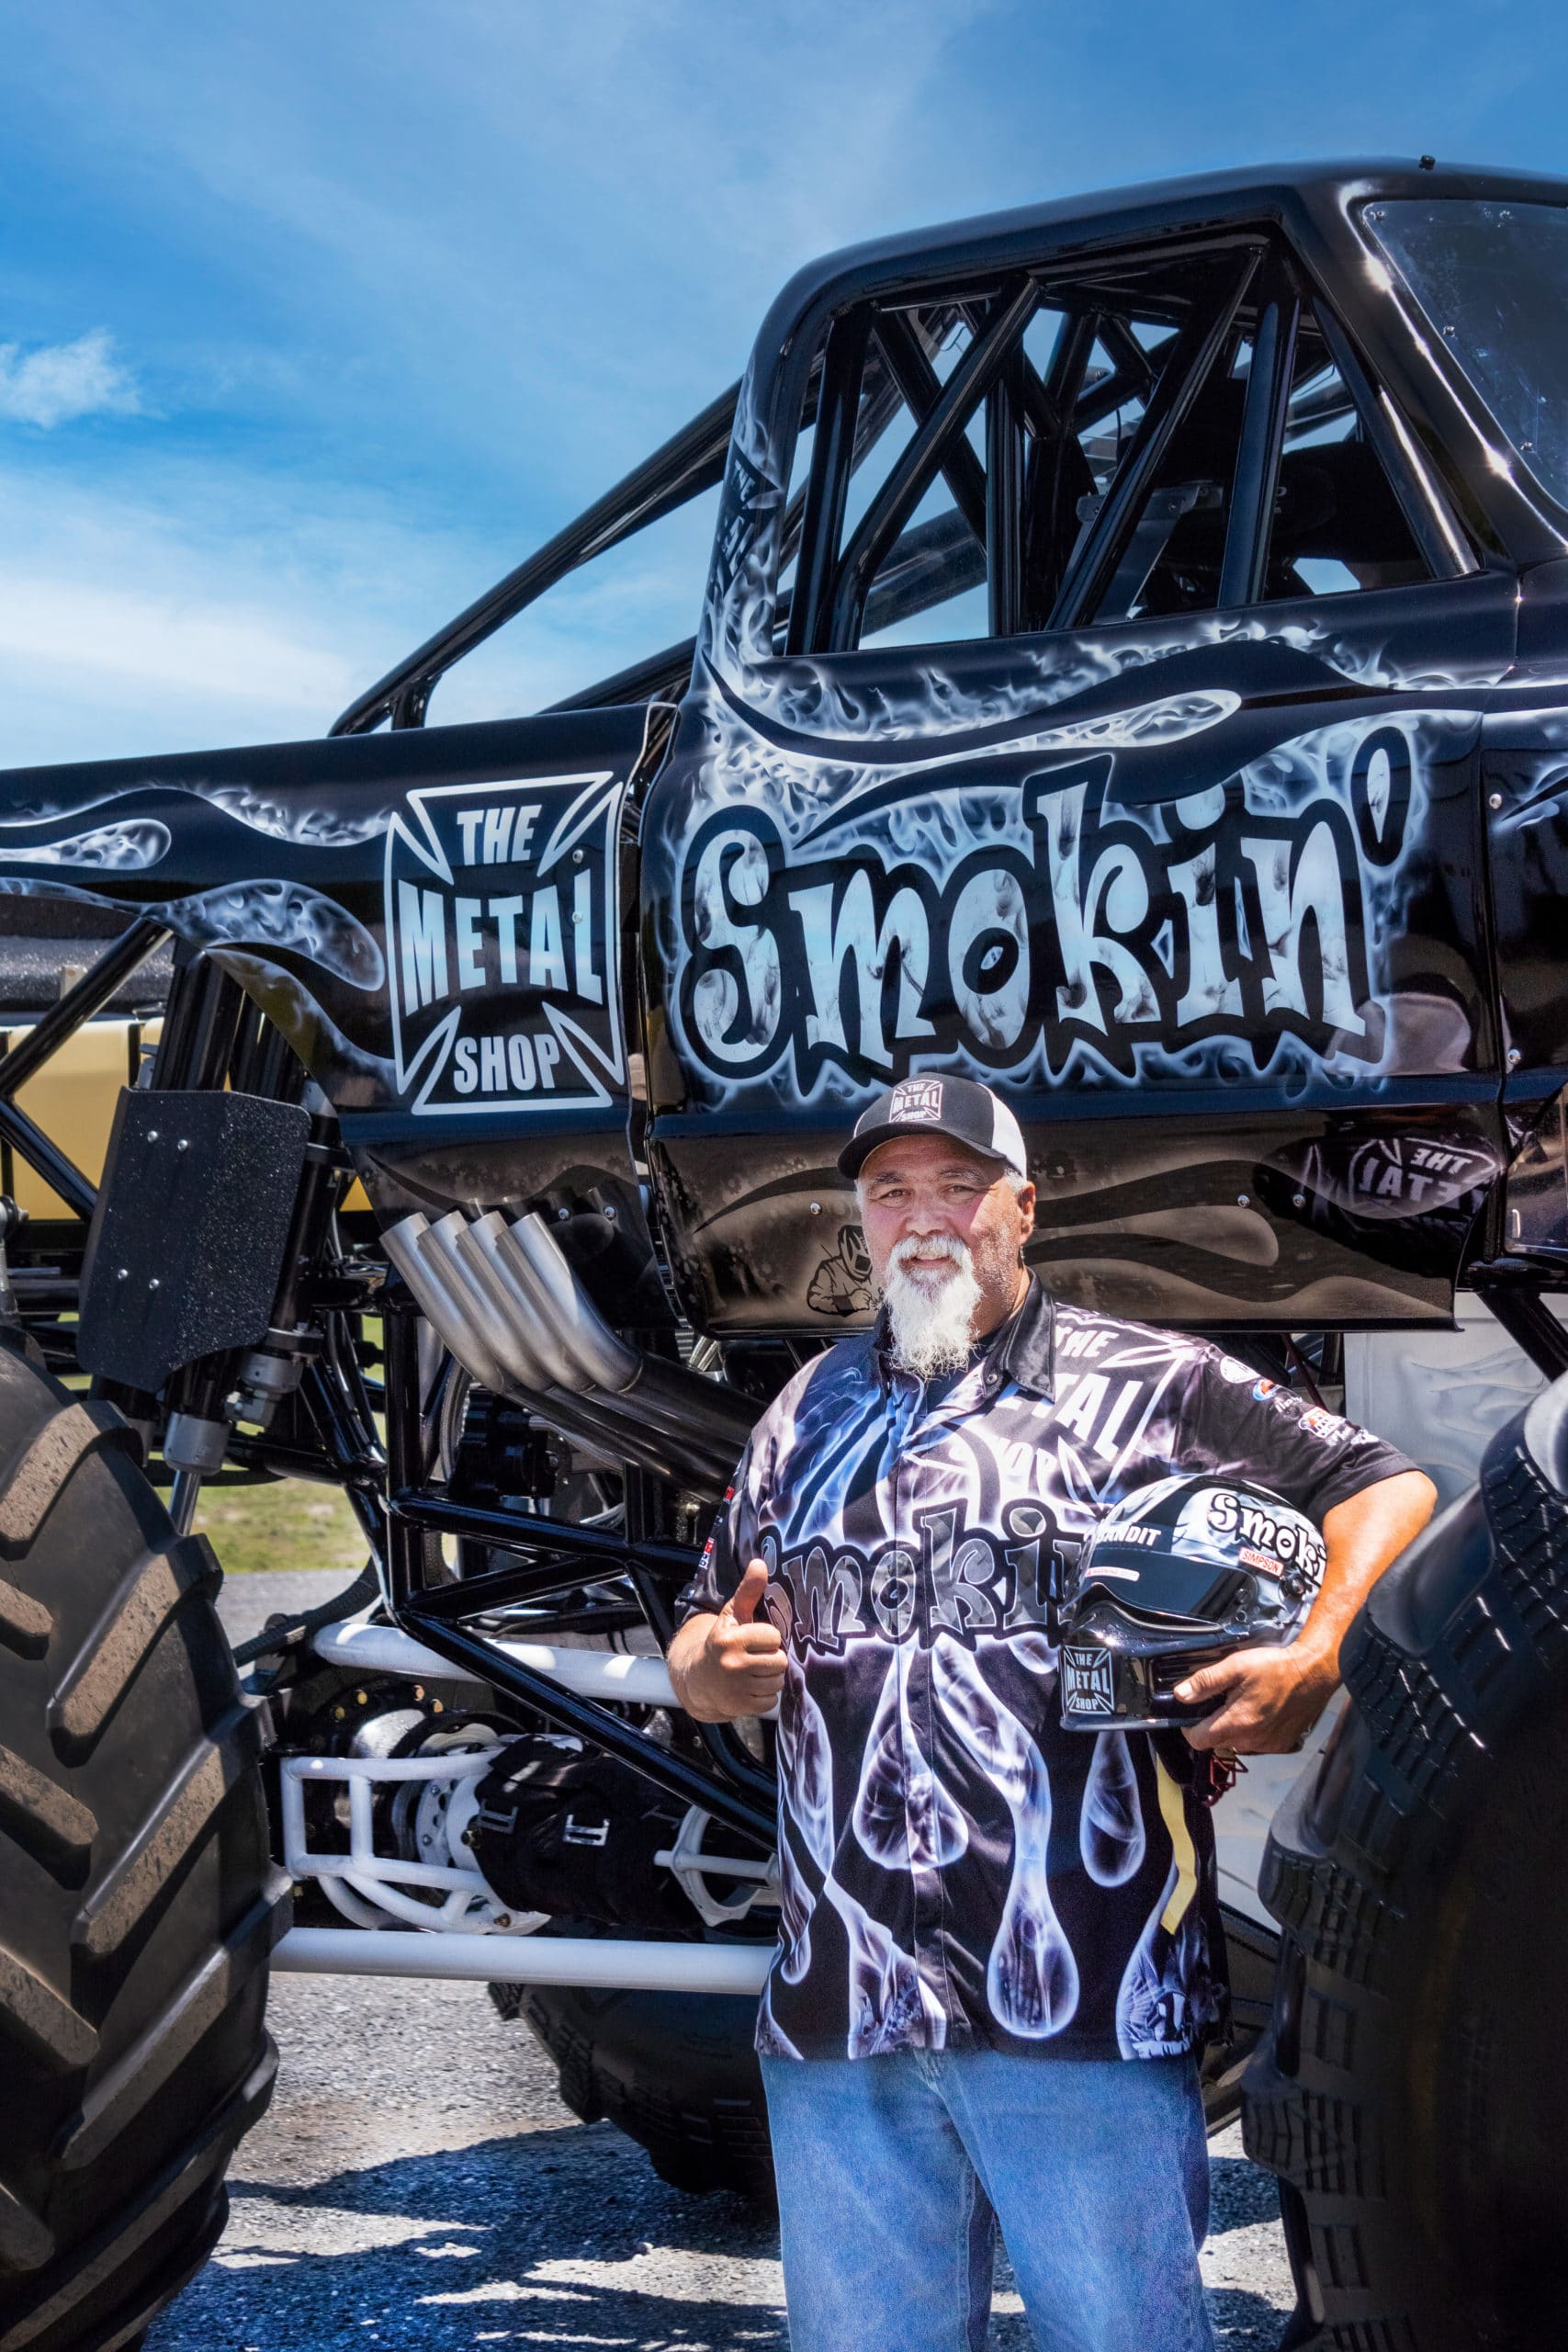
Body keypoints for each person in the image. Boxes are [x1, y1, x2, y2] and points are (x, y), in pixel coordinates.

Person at [667, 1075, 1436, 2352]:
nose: (925, 1217)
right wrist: (709, 1667)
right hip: (840, 2007)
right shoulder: (804, 1411)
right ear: (862, 1220)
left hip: (1084, 1996)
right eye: (892, 1190)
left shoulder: (1145, 1382)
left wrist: (1315, 1655)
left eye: (959, 1187)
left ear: (1023, 1209)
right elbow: (702, 1625)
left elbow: (1382, 1485)